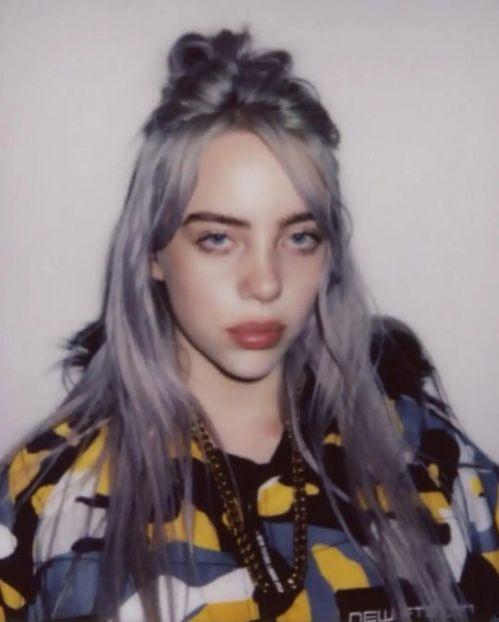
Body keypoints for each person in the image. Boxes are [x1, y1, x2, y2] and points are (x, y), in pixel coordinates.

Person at [0, 26, 497, 622]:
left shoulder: (433, 463)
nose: (265, 283)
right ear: (152, 252)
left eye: (299, 237)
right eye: (218, 238)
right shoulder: (46, 496)